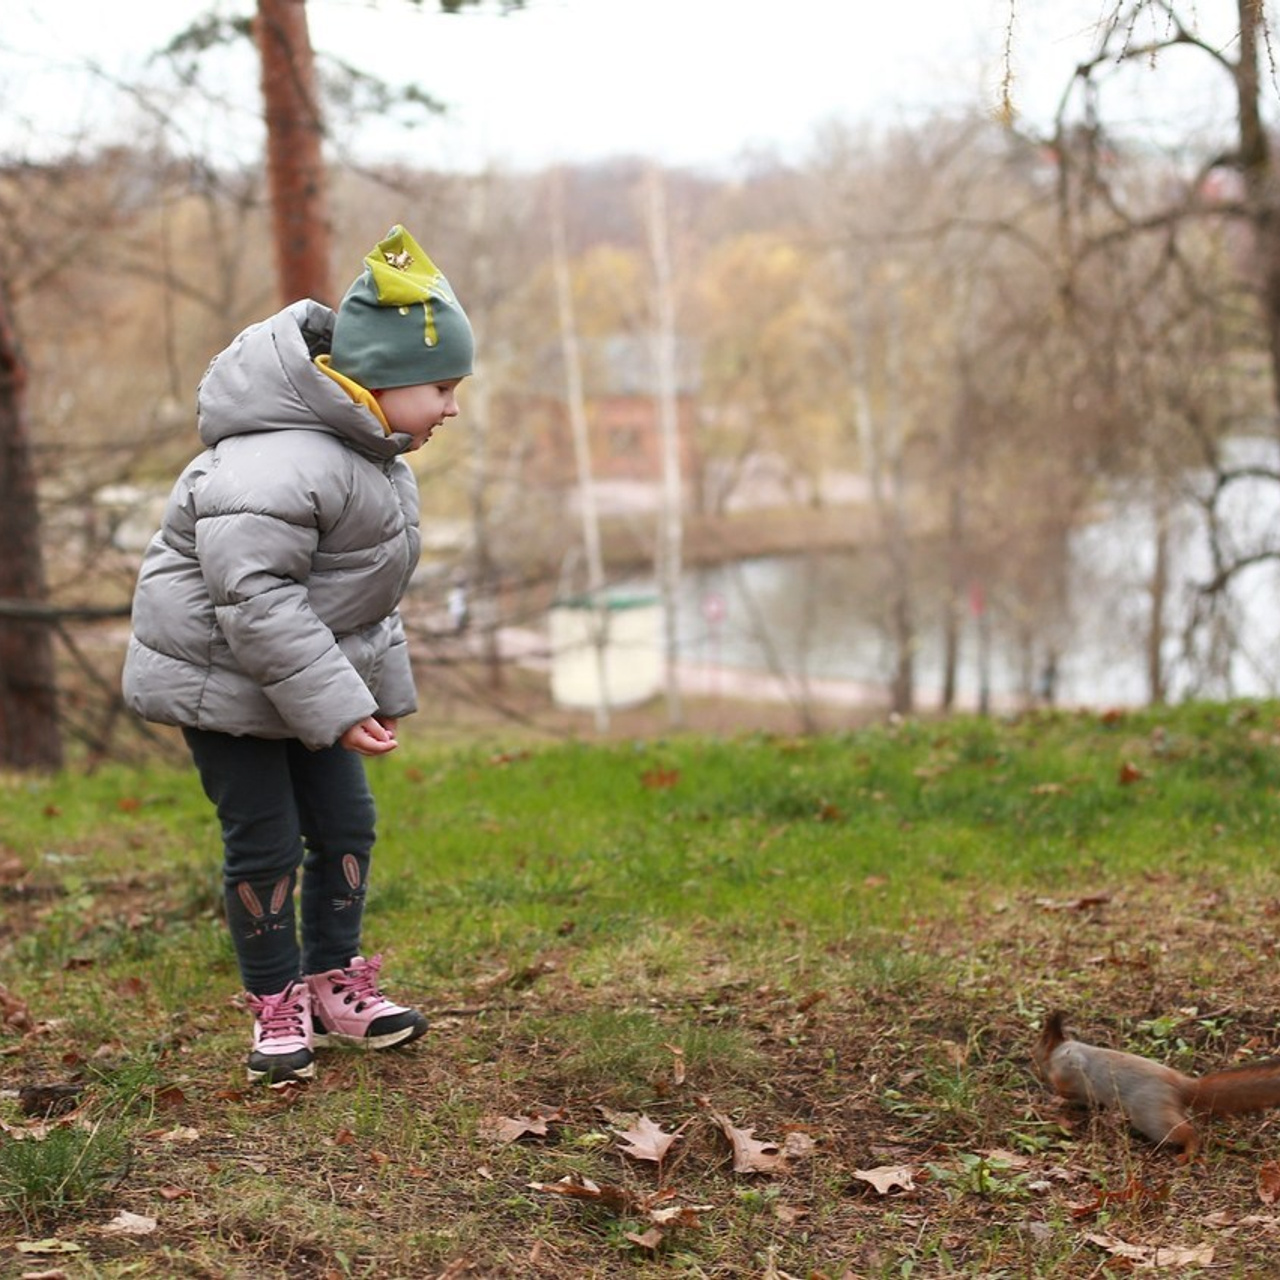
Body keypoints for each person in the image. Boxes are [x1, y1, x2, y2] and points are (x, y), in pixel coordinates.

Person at [122, 225, 473, 1085]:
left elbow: (363, 603)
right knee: (266, 840)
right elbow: (257, 602)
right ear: (379, 384)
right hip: (225, 684)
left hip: (307, 687)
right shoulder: (270, 465)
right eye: (441, 387)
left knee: (347, 825)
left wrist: (373, 692)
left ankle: (335, 981)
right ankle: (277, 1005)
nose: (452, 408)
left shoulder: (378, 462)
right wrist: (339, 703)